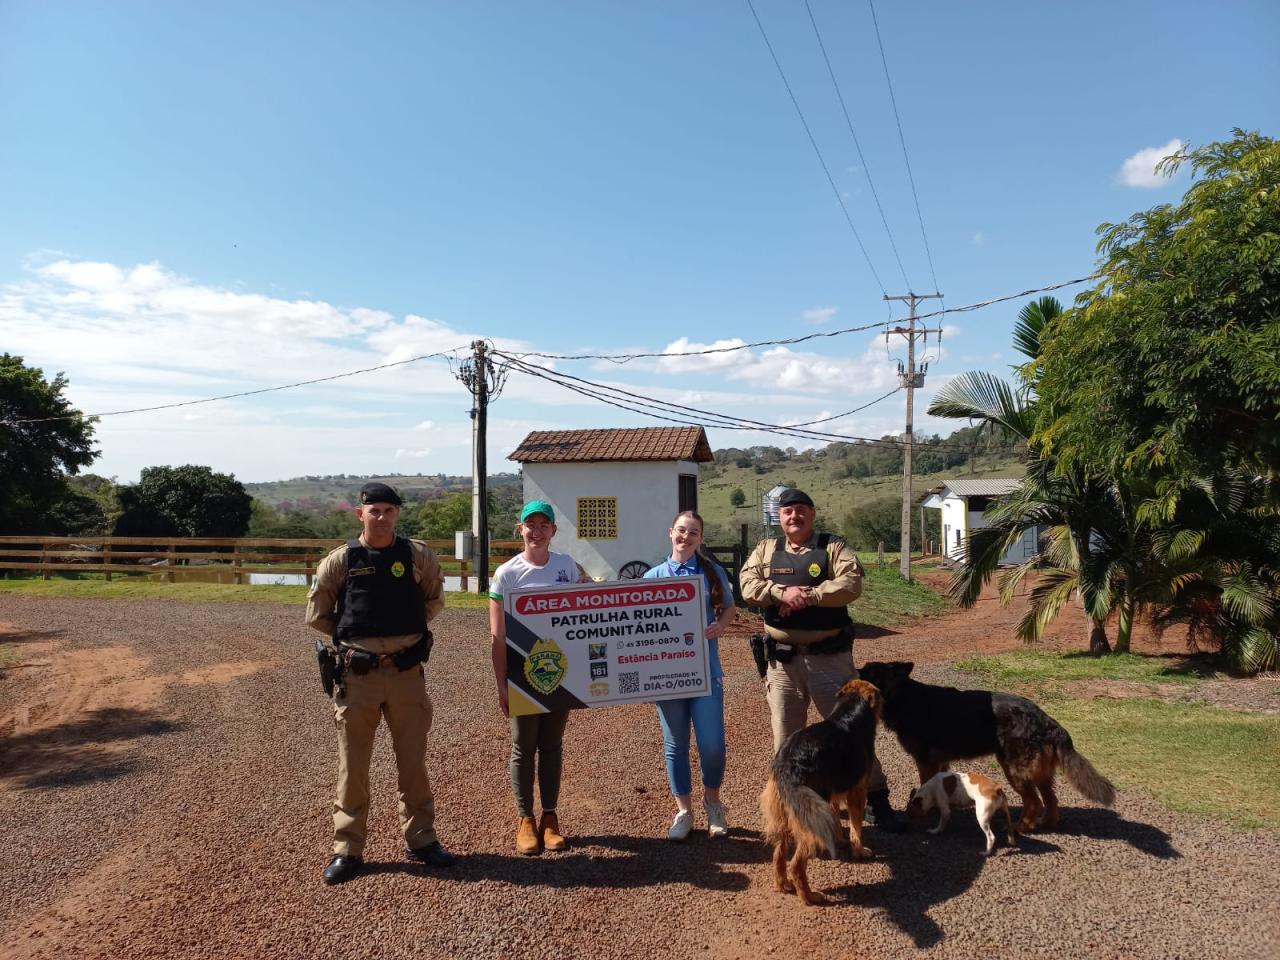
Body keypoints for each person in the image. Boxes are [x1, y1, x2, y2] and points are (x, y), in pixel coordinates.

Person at [306, 482, 455, 885]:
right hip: (359, 677)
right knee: (353, 767)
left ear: (397, 514)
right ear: (361, 514)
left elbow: (434, 599)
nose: (382, 517)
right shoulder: (341, 561)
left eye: (389, 510)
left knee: (413, 763)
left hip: (407, 674)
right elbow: (318, 615)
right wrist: (359, 635)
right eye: (375, 510)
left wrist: (402, 630)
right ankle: (348, 848)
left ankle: (421, 839)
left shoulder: (416, 554)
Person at [738, 487, 902, 831]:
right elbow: (747, 584)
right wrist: (781, 592)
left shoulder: (833, 546)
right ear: (779, 517)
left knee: (853, 734)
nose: (794, 516)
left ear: (812, 514)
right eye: (787, 511)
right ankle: (792, 806)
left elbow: (851, 583)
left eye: (800, 510)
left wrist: (809, 596)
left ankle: (876, 800)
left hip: (831, 660)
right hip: (782, 664)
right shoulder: (767, 549)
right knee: (786, 739)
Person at [489, 500, 590, 856]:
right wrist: (501, 683)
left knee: (552, 745)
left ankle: (550, 817)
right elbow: (497, 636)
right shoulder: (507, 574)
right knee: (523, 746)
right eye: (529, 524)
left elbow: (592, 601)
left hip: (561, 673)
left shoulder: (566, 567)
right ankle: (524, 819)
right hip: (523, 674)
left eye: (542, 524)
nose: (536, 530)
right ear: (520, 530)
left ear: (553, 530)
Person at [642, 510, 737, 841]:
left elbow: (728, 606)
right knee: (675, 744)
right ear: (671, 532)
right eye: (681, 530)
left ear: (700, 538)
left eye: (693, 532)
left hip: (705, 673)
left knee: (712, 745)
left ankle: (713, 803)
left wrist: (720, 626)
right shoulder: (652, 576)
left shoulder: (711, 574)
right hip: (666, 676)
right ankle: (684, 810)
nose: (686, 537)